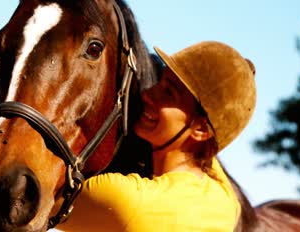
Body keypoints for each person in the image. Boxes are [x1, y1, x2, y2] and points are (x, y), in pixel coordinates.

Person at [57, 41, 256, 232]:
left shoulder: (131, 203)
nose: (148, 94)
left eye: (169, 93)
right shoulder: (225, 201)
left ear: (201, 130)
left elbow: (38, 199)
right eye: (160, 81)